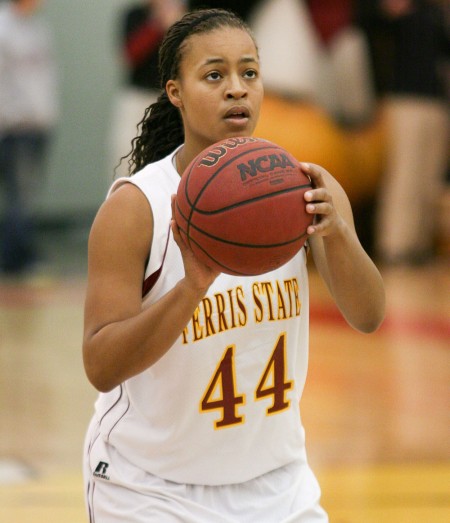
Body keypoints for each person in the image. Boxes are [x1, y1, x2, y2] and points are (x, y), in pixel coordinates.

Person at [83, 8, 385, 522]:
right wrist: (191, 287)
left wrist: (339, 236)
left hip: (277, 486)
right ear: (175, 92)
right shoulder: (138, 207)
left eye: (249, 72)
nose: (237, 89)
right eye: (215, 75)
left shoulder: (308, 190)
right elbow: (101, 365)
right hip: (152, 490)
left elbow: (369, 315)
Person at [356, 0, 450, 265]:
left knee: (429, 176)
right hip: (404, 99)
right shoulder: (395, 10)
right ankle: (394, 245)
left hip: (436, 100)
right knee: (405, 173)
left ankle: (418, 245)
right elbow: (370, 27)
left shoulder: (435, 14)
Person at [0, 0, 59, 275]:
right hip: (15, 126)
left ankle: (19, 253)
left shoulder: (38, 28)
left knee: (28, 193)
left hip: (38, 124)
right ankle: (16, 258)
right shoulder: (4, 28)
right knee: (19, 195)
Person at [111, 0, 185, 178]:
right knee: (126, 160)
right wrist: (157, 24)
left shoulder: (185, 15)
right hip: (137, 98)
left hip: (170, 100)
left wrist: (176, 26)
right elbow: (130, 55)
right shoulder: (135, 15)